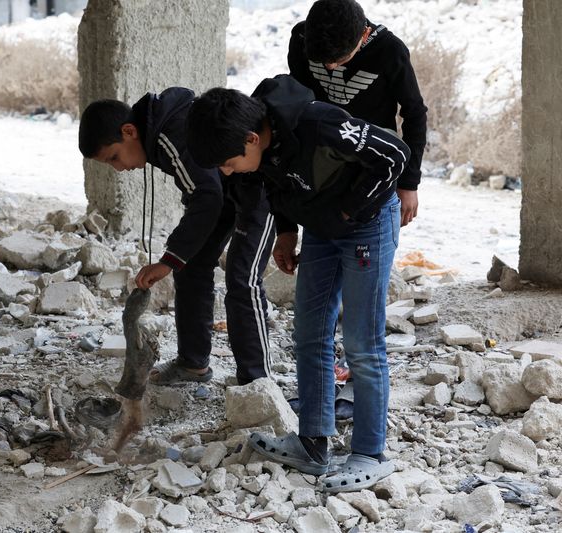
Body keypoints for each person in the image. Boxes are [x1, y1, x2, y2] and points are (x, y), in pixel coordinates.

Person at [186, 75, 409, 492]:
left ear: (252, 139)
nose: (226, 172)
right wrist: (286, 233)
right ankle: (312, 443)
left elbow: (395, 154)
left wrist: (347, 213)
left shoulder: (320, 125)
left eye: (229, 163)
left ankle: (370, 453)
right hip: (322, 227)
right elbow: (272, 181)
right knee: (309, 333)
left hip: (367, 226)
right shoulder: (257, 145)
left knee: (362, 342)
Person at [78, 88, 275, 387]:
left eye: (114, 157)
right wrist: (178, 258)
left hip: (257, 187)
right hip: (224, 191)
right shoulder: (155, 133)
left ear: (129, 131)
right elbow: (206, 193)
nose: (119, 168)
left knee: (241, 278)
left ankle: (257, 384)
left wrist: (168, 261)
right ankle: (193, 365)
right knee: (192, 265)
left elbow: (205, 197)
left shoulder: (168, 136)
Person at [289, 0, 427, 227]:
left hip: (374, 167)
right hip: (322, 170)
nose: (331, 67)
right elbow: (297, 102)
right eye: (321, 61)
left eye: (341, 59)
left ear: (364, 35)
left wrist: (409, 183)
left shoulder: (389, 50)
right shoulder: (302, 38)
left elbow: (415, 114)